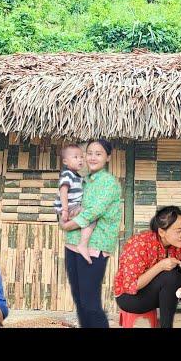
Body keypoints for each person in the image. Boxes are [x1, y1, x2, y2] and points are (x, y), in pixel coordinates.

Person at [114, 205, 181, 328]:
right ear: (162, 231)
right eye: (178, 231)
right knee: (170, 276)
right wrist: (159, 266)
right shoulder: (140, 243)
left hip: (160, 294)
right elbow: (131, 285)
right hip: (130, 298)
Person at [58, 139, 122, 328]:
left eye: (99, 153)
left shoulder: (109, 183)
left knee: (90, 303)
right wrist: (65, 217)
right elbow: (70, 205)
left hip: (95, 246)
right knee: (79, 301)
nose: (92, 157)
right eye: (90, 153)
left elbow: (93, 211)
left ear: (108, 157)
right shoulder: (81, 180)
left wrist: (68, 225)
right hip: (73, 245)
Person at [53, 144, 96, 264]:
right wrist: (65, 210)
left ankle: (79, 238)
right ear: (66, 161)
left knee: (90, 217)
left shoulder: (77, 176)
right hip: (69, 207)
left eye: (81, 157)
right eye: (76, 157)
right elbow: (63, 191)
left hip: (73, 207)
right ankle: (82, 244)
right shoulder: (67, 174)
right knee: (92, 216)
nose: (80, 160)